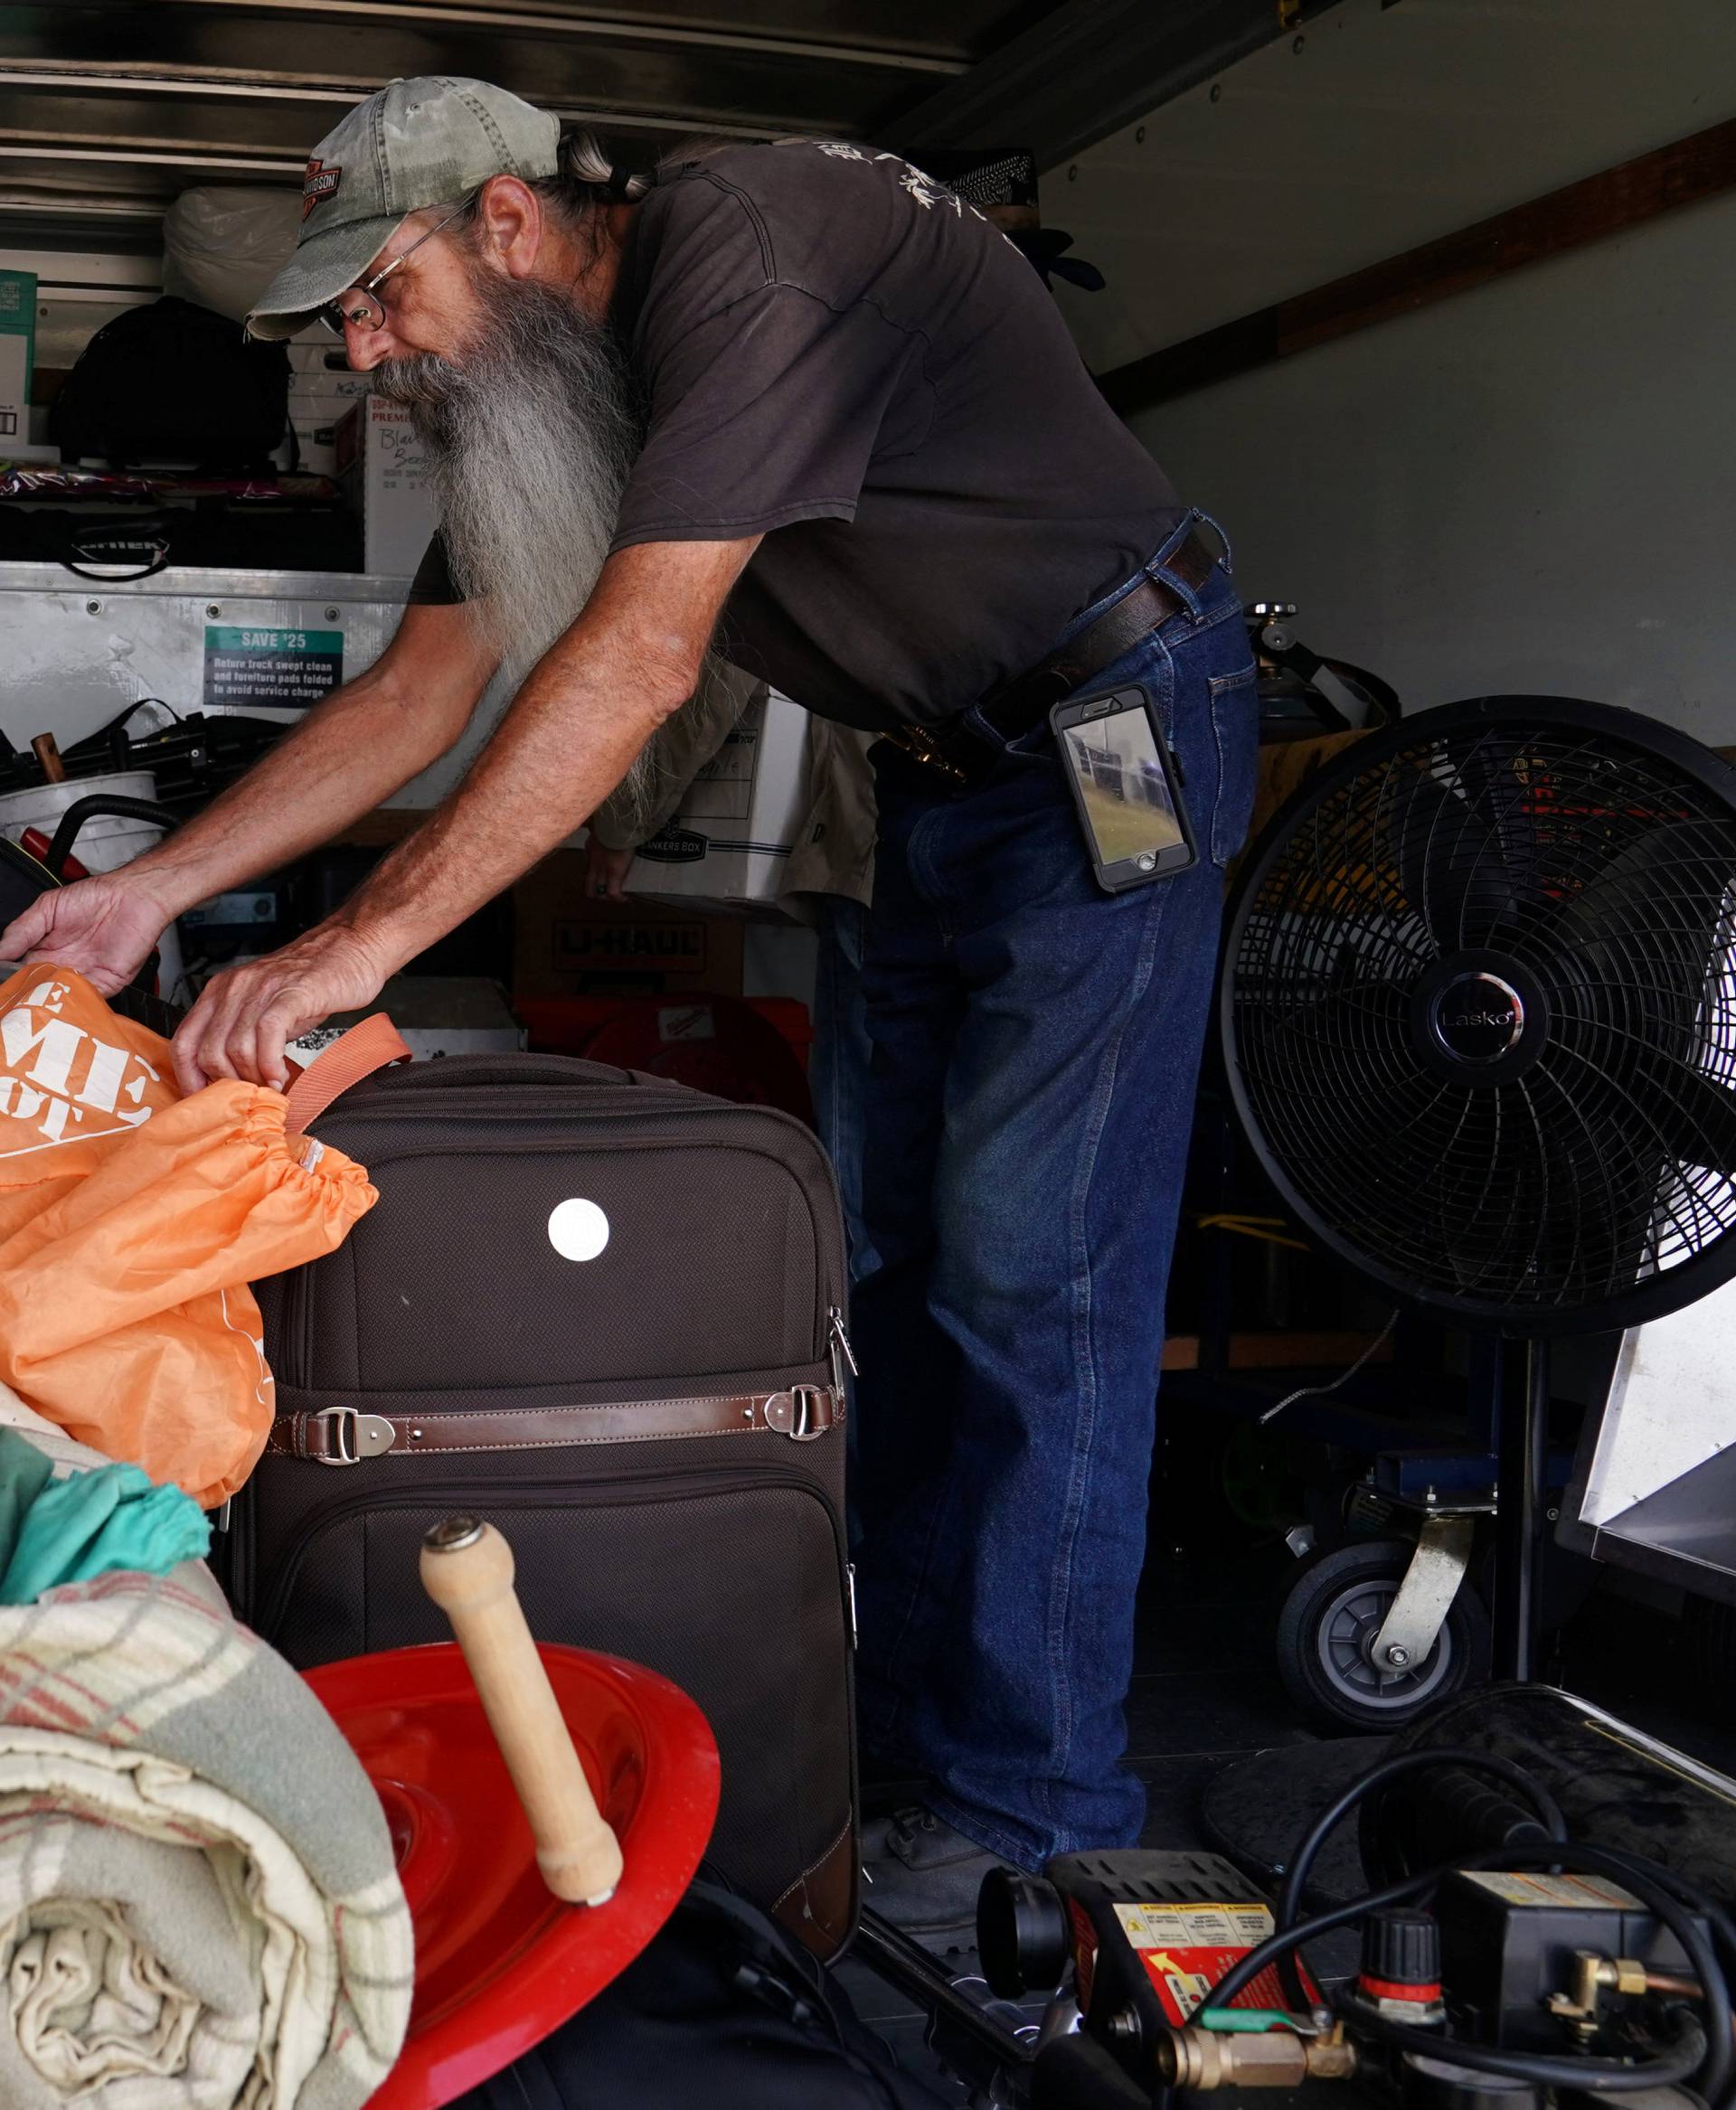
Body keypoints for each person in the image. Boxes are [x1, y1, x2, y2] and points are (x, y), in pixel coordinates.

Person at [0, 77, 1258, 1945]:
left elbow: (644, 656)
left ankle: (1027, 1811)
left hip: (1116, 735)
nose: (363, 348)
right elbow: (424, 692)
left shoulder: (741, 254)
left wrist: (352, 951)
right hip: (952, 771)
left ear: (506, 224)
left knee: (1034, 1280)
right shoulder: (562, 400)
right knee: (892, 1264)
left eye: (381, 294)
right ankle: (906, 1739)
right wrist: (150, 891)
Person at [585, 676, 880, 1279]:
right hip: (1032, 848)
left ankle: (852, 1346)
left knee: (867, 1158)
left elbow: (710, 674)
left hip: (878, 844)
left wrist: (621, 824)